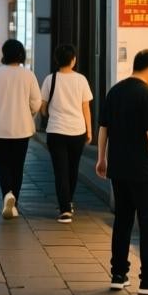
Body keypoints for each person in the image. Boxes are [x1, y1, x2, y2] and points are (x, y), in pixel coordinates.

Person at [96, 48, 148, 295]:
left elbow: (103, 128)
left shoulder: (115, 91)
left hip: (118, 168)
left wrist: (101, 159)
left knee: (123, 221)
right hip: (144, 171)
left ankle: (118, 274)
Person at [0, 39, 41, 219]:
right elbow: (36, 102)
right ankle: (14, 200)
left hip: (0, 127)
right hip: (22, 127)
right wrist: (28, 113)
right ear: (21, 54)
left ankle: (6, 195)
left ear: (4, 53)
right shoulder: (28, 75)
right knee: (18, 165)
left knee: (3, 164)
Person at [41, 44, 93, 223]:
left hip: (56, 131)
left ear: (57, 60)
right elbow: (86, 107)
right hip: (77, 131)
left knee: (60, 170)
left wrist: (48, 114)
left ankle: (65, 207)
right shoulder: (81, 80)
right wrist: (89, 130)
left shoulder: (50, 79)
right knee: (72, 168)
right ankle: (67, 202)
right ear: (73, 60)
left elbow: (43, 106)